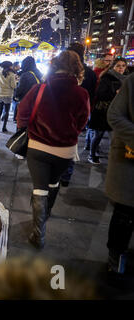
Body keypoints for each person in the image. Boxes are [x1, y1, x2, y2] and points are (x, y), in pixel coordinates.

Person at [16, 50, 90, 249]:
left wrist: (26, 128)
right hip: (65, 150)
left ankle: (38, 233)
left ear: (54, 65)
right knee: (54, 184)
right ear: (77, 68)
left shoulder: (40, 89)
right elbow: (83, 122)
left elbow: (22, 112)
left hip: (38, 146)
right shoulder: (81, 93)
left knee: (39, 188)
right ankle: (45, 217)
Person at [105, 73, 134, 279]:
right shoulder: (131, 82)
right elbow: (114, 114)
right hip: (129, 161)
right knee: (124, 215)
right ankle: (115, 260)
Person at [60, 43, 97, 187]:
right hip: (74, 120)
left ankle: (59, 176)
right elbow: (90, 102)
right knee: (69, 147)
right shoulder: (89, 74)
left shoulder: (57, 73)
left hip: (56, 117)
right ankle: (65, 176)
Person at [88, 57, 128, 164]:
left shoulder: (126, 79)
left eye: (123, 66)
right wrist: (115, 93)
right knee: (98, 135)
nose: (121, 68)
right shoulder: (107, 78)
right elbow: (100, 94)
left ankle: (114, 158)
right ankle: (92, 155)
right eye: (118, 66)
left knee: (114, 137)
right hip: (103, 112)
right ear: (113, 67)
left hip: (117, 112)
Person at [14, 57, 43, 123]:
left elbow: (19, 90)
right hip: (37, 104)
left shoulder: (25, 75)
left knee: (23, 125)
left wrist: (15, 94)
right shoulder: (39, 73)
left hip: (26, 103)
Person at [0, 61, 17, 132]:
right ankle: (4, 127)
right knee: (6, 111)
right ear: (9, 66)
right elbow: (13, 86)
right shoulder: (12, 74)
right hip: (8, 95)